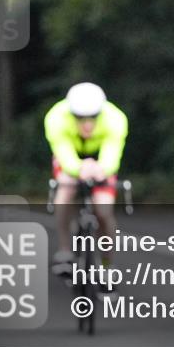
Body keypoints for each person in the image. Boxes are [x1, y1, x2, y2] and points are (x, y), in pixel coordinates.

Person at [44, 82, 128, 293]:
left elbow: (112, 156)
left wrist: (102, 170)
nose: (87, 124)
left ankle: (107, 266)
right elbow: (63, 153)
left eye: (93, 117)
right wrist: (78, 169)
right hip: (71, 158)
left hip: (101, 160)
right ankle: (64, 251)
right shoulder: (56, 118)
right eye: (80, 118)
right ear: (71, 113)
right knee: (65, 189)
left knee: (104, 211)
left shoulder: (116, 119)